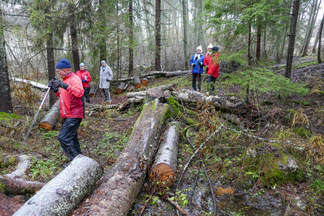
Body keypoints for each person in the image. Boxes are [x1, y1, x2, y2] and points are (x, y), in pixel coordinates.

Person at [48, 58, 84, 165]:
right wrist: (55, 90)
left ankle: (76, 162)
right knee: (72, 137)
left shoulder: (74, 79)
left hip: (74, 113)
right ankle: (79, 157)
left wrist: (63, 85)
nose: (58, 73)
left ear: (65, 70)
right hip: (67, 114)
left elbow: (79, 93)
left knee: (63, 137)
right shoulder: (65, 80)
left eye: (59, 71)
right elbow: (64, 97)